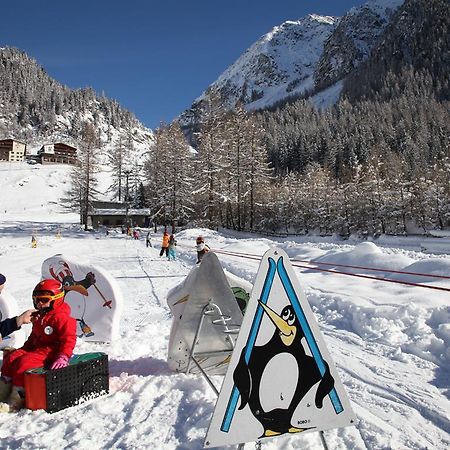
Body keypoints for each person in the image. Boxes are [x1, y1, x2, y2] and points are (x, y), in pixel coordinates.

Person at [0, 279, 77, 412]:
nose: (39, 304)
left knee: (23, 363)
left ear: (56, 299)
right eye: (36, 300)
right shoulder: (40, 316)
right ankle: (3, 391)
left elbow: (69, 339)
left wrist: (63, 356)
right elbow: (34, 336)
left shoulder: (64, 319)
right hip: (36, 349)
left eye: (44, 300)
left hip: (50, 352)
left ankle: (16, 399)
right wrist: (23, 349)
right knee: (11, 358)